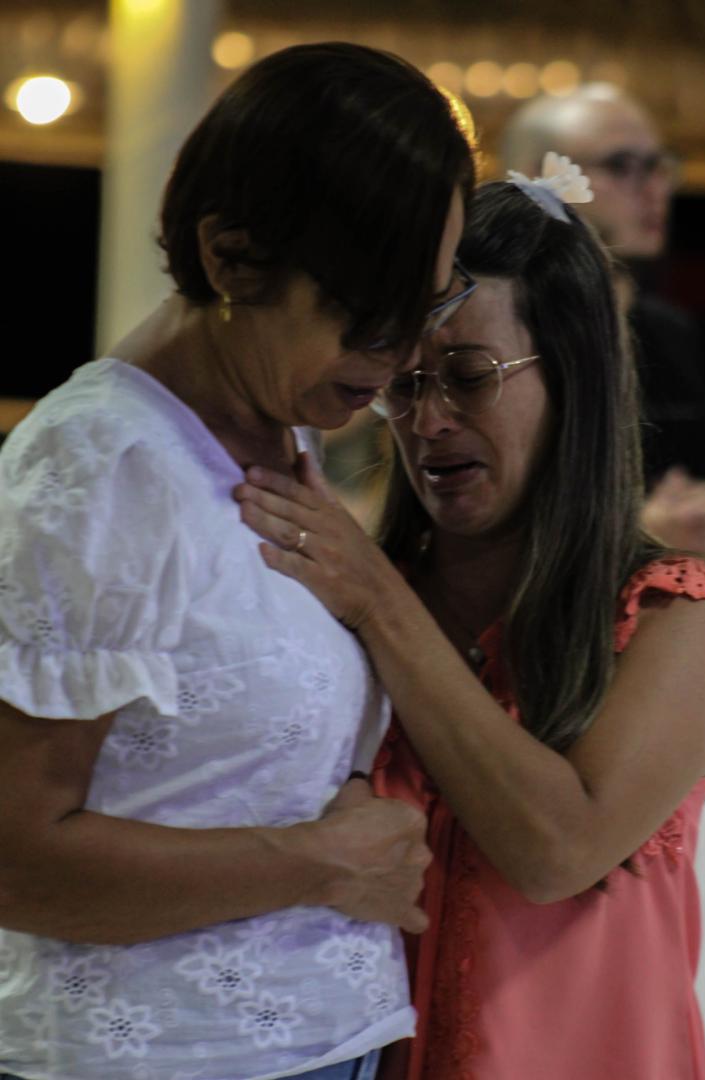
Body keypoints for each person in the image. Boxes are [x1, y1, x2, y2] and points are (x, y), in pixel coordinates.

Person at [0, 42, 478, 1080]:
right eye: (369, 315)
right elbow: (15, 861)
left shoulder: (275, 423)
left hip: (323, 1045)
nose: (402, 357)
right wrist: (317, 864)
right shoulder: (102, 465)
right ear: (231, 257)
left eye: (427, 309)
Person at [236, 156, 705, 1079]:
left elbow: (558, 850)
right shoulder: (348, 604)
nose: (427, 422)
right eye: (405, 383)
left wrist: (378, 600)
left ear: (573, 376)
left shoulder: (675, 615)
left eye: (468, 375)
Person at [500, 84, 705, 562]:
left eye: (659, 166)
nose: (655, 190)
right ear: (541, 178)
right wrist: (643, 530)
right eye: (623, 165)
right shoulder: (504, 333)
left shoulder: (676, 331)